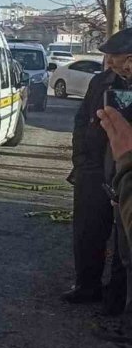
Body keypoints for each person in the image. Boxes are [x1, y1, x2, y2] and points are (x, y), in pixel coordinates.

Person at [65, 51, 123, 304]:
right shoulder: (100, 82)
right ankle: (87, 286)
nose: (111, 62)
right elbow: (81, 120)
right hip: (93, 167)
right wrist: (80, 159)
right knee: (88, 230)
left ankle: (117, 297)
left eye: (117, 57)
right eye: (111, 57)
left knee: (124, 238)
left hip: (124, 168)